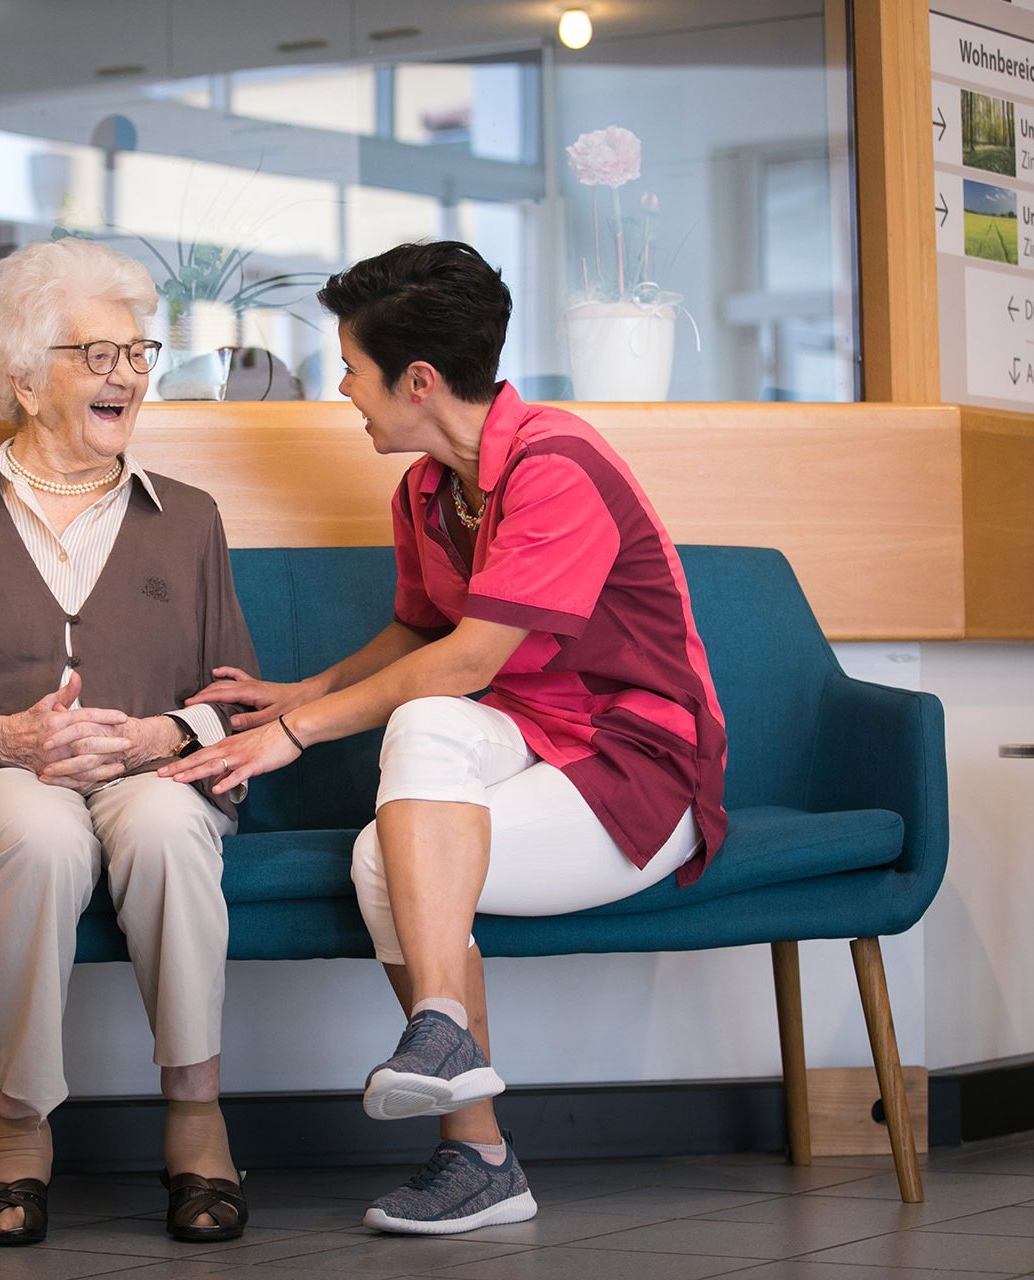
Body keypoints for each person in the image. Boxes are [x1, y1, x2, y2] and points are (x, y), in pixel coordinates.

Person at [165, 241, 728, 1236]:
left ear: (418, 380)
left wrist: (297, 729)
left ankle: (476, 1149)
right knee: (419, 733)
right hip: (527, 736)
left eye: (351, 365)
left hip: (638, 768)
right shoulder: (428, 487)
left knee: (389, 854)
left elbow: (469, 657)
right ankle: (451, 1050)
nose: (343, 386)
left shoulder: (558, 465)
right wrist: (307, 685)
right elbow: (422, 633)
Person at [0, 237, 257, 1247]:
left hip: (146, 770)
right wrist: (1, 731)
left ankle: (197, 1113)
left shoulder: (191, 518)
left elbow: (236, 701)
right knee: (41, 832)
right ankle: (20, 1124)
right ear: (23, 378)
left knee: (170, 822)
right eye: (97, 354)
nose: (124, 373)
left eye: (137, 352)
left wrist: (157, 735)